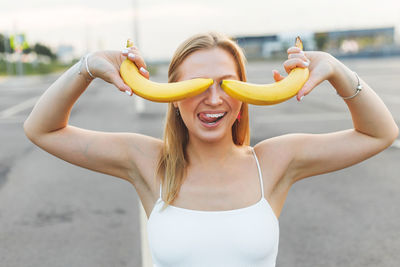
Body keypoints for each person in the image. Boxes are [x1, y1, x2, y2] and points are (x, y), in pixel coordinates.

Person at [24, 32, 398, 267]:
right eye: (197, 85)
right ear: (171, 96)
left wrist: (335, 69)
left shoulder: (273, 161)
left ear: (244, 96)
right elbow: (42, 129)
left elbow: (379, 134)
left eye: (227, 84)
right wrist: (86, 67)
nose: (214, 99)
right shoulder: (147, 162)